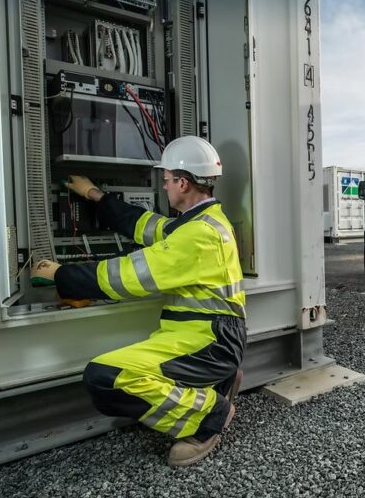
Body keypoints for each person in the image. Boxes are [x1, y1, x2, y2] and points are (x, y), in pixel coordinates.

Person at [31, 136, 247, 466]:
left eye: (166, 181)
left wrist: (60, 273)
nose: (164, 188)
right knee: (118, 374)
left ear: (183, 182)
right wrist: (94, 195)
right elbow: (143, 225)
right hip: (207, 335)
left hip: (211, 342)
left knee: (104, 378)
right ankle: (220, 383)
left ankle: (210, 415)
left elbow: (127, 276)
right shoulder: (200, 222)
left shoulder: (198, 235)